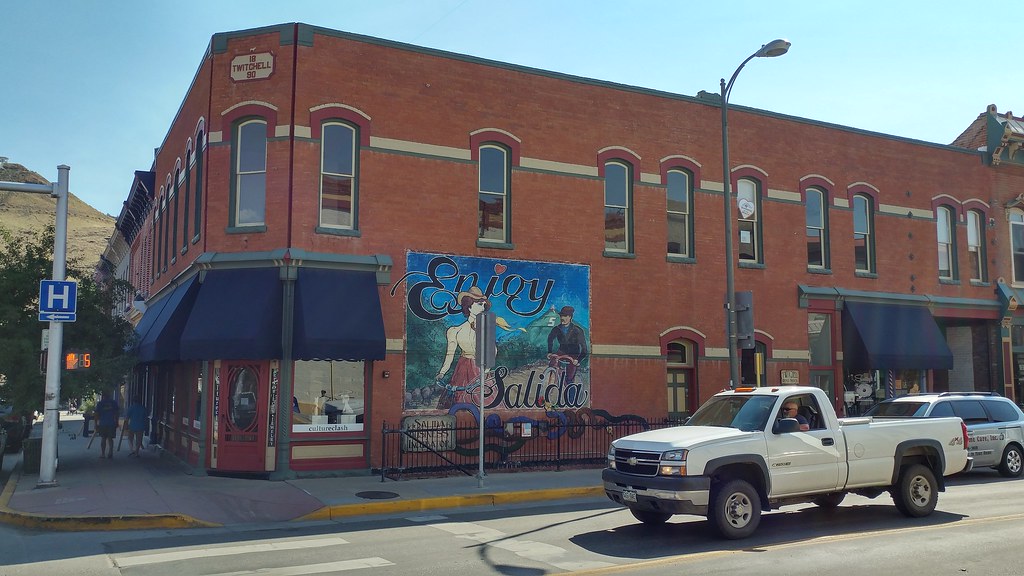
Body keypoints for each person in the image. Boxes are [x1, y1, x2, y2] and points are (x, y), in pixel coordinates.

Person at [436, 286, 491, 409]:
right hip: (463, 369)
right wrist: (442, 372)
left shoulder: (486, 328)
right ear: (469, 306)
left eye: (484, 305)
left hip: (480, 368)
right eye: (479, 304)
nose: (482, 307)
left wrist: (485, 372)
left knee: (484, 401)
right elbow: (450, 354)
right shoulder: (456, 330)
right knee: (459, 399)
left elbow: (492, 352)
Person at [546, 305, 588, 385]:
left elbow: (584, 348)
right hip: (561, 352)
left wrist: (578, 360)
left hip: (573, 354)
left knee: (569, 379)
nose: (563, 318)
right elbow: (550, 339)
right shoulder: (557, 329)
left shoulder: (577, 330)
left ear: (570, 317)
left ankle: (570, 389)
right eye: (561, 316)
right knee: (552, 364)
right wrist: (549, 352)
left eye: (565, 316)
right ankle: (551, 383)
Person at [94, 391, 120, 459]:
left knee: (103, 438)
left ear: (103, 396)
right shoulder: (114, 403)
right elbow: (117, 413)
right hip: (111, 423)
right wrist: (117, 422)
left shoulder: (100, 403)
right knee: (110, 439)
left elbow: (96, 414)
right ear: (110, 395)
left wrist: (96, 424)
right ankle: (110, 452)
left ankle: (103, 454)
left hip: (103, 423)